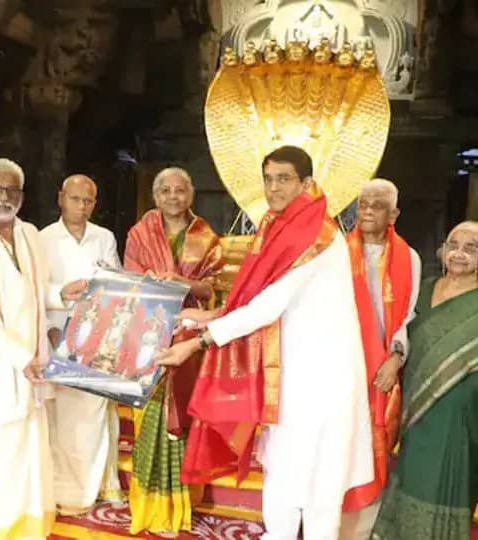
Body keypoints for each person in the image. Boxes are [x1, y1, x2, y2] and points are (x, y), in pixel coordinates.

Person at [157, 146, 374, 540]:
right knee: (284, 468)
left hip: (321, 379)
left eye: (284, 178)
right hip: (291, 375)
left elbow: (266, 307)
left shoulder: (316, 236)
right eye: (268, 178)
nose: (273, 188)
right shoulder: (282, 227)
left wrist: (195, 343)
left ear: (306, 183)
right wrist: (210, 316)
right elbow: (255, 298)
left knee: (319, 485)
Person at [0, 158, 86, 539]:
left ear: (22, 197)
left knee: (29, 444)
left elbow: (31, 293)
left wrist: (59, 293)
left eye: (12, 191)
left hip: (33, 359)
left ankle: (28, 525)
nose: (4, 197)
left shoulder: (28, 234)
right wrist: (18, 358)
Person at [123, 167, 223, 536]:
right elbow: (130, 279)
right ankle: (148, 506)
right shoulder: (140, 232)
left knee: (181, 419)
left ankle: (178, 507)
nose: (173, 197)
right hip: (148, 334)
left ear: (190, 195)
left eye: (180, 190)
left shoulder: (206, 236)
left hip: (189, 337)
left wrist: (181, 282)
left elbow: (211, 291)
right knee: (149, 419)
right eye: (165, 190)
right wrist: (150, 282)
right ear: (155, 196)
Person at [371, 221, 478, 540]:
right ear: (443, 250)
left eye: (471, 248)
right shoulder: (425, 288)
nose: (459, 254)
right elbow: (400, 334)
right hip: (415, 409)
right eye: (453, 245)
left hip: (461, 414)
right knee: (411, 476)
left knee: (448, 481)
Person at [339, 180, 421, 539]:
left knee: (373, 447)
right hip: (341, 366)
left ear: (394, 214)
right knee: (340, 445)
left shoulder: (409, 258)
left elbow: (410, 315)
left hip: (382, 370)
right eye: (363, 203)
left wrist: (395, 359)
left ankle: (363, 530)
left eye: (377, 204)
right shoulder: (337, 253)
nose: (368, 209)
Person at [40, 174, 123, 515]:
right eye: (75, 199)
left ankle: (102, 484)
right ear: (61, 199)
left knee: (97, 415)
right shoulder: (42, 238)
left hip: (96, 341)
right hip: (57, 337)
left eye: (88, 201)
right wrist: (51, 332)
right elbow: (35, 293)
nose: (82, 207)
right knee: (61, 420)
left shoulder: (104, 238)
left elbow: (115, 284)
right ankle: (63, 489)